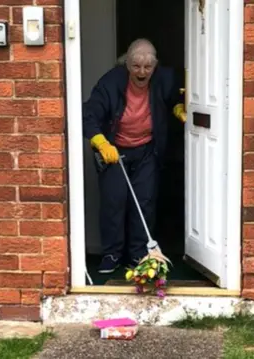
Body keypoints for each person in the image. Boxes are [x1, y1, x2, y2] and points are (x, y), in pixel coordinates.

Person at [82, 38, 184, 274]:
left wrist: (178, 108)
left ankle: (139, 254)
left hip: (147, 149)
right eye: (136, 66)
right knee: (114, 202)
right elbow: (90, 113)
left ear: (155, 65)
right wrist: (100, 142)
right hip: (114, 151)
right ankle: (111, 254)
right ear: (127, 65)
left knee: (144, 201)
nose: (142, 72)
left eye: (148, 67)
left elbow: (175, 97)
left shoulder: (163, 79)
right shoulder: (111, 82)